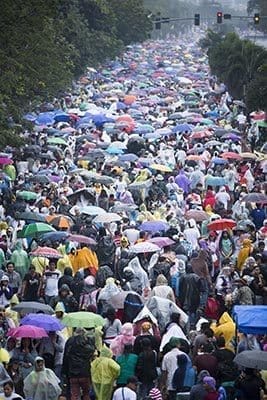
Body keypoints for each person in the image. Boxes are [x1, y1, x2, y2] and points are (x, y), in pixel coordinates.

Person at [62, 327, 95, 400]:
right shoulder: (86, 341)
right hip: (84, 372)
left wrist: (65, 371)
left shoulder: (70, 341)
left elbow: (65, 357)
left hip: (72, 372)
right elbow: (92, 352)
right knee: (86, 394)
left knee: (74, 395)